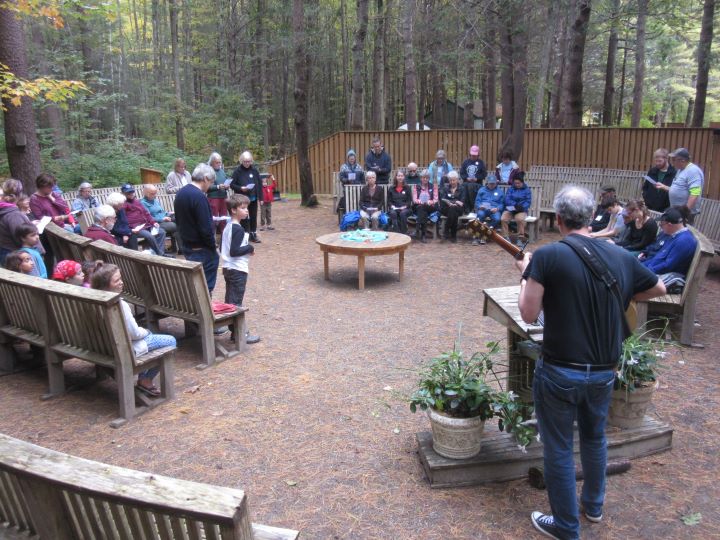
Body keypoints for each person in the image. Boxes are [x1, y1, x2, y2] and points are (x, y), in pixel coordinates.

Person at [516, 185, 665, 540]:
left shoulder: (547, 256)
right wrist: (626, 291)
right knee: (595, 438)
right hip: (603, 371)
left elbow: (528, 312)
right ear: (588, 217)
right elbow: (659, 288)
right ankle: (593, 506)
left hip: (558, 372)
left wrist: (526, 271)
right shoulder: (619, 255)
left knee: (558, 448)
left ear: (560, 218)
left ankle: (566, 527)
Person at [92, 262, 176, 396]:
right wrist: (146, 332)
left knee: (150, 338)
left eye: (120, 278)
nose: (121, 282)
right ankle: (145, 379)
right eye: (117, 280)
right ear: (105, 284)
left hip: (103, 347)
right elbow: (135, 334)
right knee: (170, 341)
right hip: (125, 350)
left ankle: (143, 378)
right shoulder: (119, 305)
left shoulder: (92, 302)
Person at [221, 194, 260, 345]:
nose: (246, 211)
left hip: (229, 268)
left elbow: (224, 248)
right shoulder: (236, 228)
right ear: (233, 210)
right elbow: (234, 251)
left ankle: (234, 332)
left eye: (247, 208)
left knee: (231, 301)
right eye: (243, 208)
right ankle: (240, 333)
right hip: (237, 269)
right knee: (235, 303)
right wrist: (249, 247)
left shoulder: (229, 227)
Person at [175, 163, 220, 293]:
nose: (210, 185)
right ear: (205, 178)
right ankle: (205, 311)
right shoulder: (199, 197)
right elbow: (205, 227)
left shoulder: (181, 193)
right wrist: (213, 246)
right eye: (211, 182)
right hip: (201, 250)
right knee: (205, 288)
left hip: (187, 246)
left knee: (196, 286)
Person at [642, 207, 697, 281]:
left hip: (660, 277)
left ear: (669, 224)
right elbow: (658, 258)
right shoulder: (674, 235)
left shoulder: (684, 241)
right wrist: (640, 265)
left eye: (661, 225)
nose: (661, 227)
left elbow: (667, 266)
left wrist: (643, 271)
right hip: (652, 271)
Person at [654, 148, 703, 224]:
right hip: (676, 210)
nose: (672, 162)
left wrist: (685, 211)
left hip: (684, 212)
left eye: (674, 159)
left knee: (683, 232)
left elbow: (695, 193)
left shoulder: (693, 171)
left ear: (682, 160)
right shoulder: (680, 170)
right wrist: (664, 186)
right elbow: (678, 189)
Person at [0, 179, 43, 265]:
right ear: (19, 195)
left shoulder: (6, 211)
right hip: (22, 259)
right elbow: (21, 237)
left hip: (11, 256)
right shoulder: (13, 214)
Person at [120, 184, 167, 256]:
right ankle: (160, 254)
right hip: (135, 228)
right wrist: (128, 230)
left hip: (146, 225)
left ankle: (158, 253)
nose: (131, 194)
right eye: (128, 193)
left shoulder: (137, 202)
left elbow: (146, 213)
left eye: (132, 192)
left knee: (161, 232)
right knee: (149, 236)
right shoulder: (123, 204)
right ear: (123, 194)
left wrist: (153, 222)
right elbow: (123, 219)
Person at [230, 151, 263, 243]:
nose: (247, 163)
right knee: (244, 217)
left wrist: (261, 198)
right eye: (245, 161)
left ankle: (253, 234)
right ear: (241, 161)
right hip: (242, 199)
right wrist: (241, 188)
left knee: (253, 216)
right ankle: (245, 235)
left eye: (249, 161)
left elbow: (259, 185)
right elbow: (232, 184)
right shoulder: (237, 171)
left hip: (253, 198)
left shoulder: (254, 171)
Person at [141, 184, 182, 253]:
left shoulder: (155, 201)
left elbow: (162, 212)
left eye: (155, 193)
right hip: (156, 224)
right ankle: (181, 248)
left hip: (165, 219)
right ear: (146, 193)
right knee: (175, 226)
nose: (155, 195)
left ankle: (182, 248)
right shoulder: (143, 203)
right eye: (153, 194)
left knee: (180, 219)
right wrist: (162, 219)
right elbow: (148, 218)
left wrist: (168, 213)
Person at [500, 173, 532, 246]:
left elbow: (528, 201)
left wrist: (521, 207)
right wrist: (514, 205)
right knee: (503, 218)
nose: (517, 185)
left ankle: (520, 238)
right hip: (511, 209)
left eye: (518, 183)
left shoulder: (527, 190)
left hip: (521, 210)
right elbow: (507, 199)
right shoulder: (511, 189)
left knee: (520, 219)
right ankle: (505, 237)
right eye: (515, 183)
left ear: (522, 182)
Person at [412, 169, 438, 243]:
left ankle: (417, 229)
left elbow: (436, 199)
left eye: (427, 177)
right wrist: (419, 201)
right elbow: (414, 199)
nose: (425, 179)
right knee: (422, 209)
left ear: (429, 178)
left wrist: (430, 201)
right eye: (423, 177)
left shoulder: (433, 186)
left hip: (430, 207)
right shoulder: (416, 186)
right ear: (421, 178)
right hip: (419, 207)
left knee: (423, 208)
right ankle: (423, 235)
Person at [439, 171, 466, 243]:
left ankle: (446, 231)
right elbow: (443, 199)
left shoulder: (462, 188)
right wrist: (454, 202)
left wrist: (452, 202)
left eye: (454, 180)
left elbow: (462, 202)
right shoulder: (445, 188)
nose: (452, 182)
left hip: (458, 208)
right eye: (450, 180)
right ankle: (453, 235)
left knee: (453, 209)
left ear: (457, 180)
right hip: (446, 208)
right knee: (453, 211)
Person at [207, 152, 229, 234]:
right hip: (213, 198)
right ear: (212, 162)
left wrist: (227, 186)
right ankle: (212, 238)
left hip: (223, 197)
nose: (219, 164)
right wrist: (218, 187)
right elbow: (207, 187)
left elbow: (225, 181)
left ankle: (224, 237)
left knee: (224, 218)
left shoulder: (222, 171)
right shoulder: (209, 171)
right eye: (217, 162)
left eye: (220, 162)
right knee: (214, 219)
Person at [459, 145, 487, 210]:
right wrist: (466, 178)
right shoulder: (466, 162)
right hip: (466, 182)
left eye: (475, 155)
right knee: (463, 187)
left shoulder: (481, 162)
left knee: (471, 186)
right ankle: (465, 207)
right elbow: (462, 173)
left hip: (477, 184)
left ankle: (472, 206)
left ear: (478, 155)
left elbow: (484, 174)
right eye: (472, 155)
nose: (474, 156)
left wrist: (477, 178)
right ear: (470, 154)